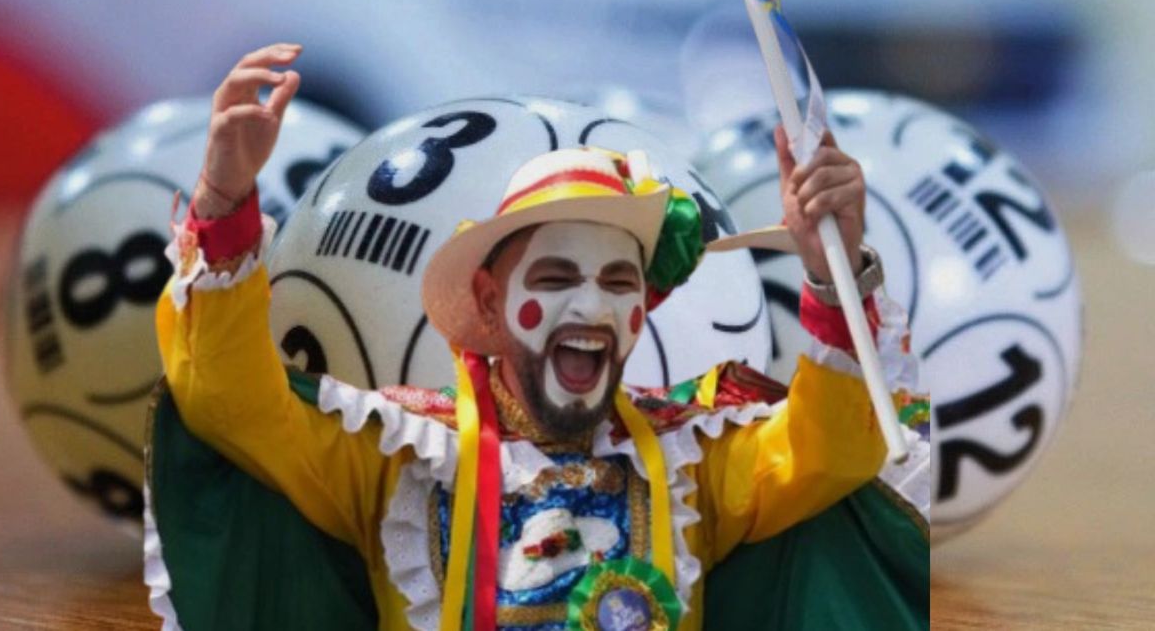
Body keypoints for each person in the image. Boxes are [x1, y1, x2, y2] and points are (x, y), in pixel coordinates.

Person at [144, 43, 929, 631]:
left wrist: (833, 269)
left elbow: (836, 447)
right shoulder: (400, 454)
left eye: (618, 284)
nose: (589, 306)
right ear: (488, 304)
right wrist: (223, 200)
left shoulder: (698, 462)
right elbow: (231, 403)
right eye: (554, 281)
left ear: (639, 315)